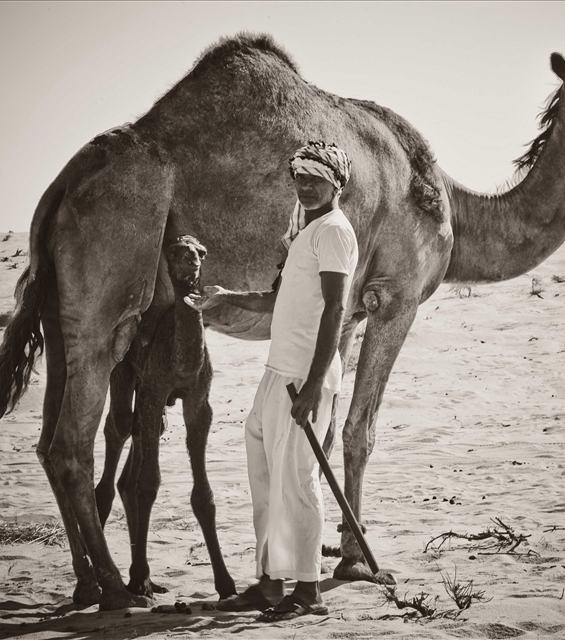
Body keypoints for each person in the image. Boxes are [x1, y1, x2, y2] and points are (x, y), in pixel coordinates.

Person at [186, 141, 358, 621]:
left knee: (298, 481)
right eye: (299, 178)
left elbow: (336, 309)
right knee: (265, 478)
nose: (305, 187)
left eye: (315, 179)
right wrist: (226, 297)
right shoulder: (305, 232)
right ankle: (269, 584)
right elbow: (277, 299)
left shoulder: (334, 232)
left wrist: (312, 383)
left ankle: (308, 593)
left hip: (304, 376)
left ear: (335, 184)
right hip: (276, 371)